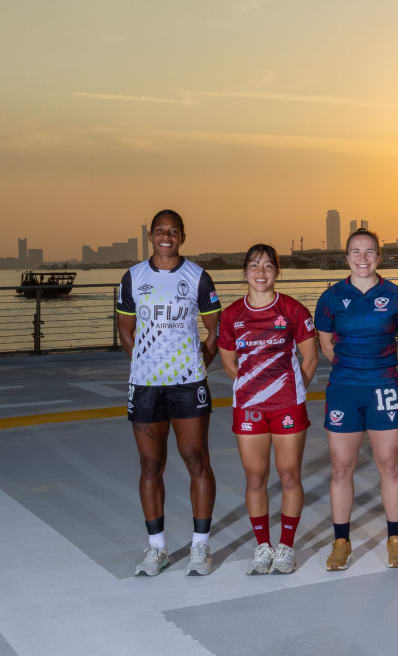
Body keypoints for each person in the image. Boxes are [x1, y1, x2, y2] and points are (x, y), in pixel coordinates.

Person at [117, 209, 222, 576]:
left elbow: (215, 330)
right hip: (146, 385)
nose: (166, 236)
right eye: (160, 230)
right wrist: (146, 362)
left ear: (182, 236)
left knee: (196, 460)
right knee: (150, 466)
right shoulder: (132, 278)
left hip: (188, 384)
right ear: (150, 235)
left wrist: (198, 364)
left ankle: (200, 546)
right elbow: (126, 332)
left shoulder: (197, 277)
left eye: (173, 231)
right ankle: (157, 548)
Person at [315, 228, 398, 570]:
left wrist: (377, 367)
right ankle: (341, 541)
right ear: (346, 258)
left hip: (383, 385)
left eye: (369, 252)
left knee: (390, 464)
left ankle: (395, 539)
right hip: (344, 387)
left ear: (379, 257)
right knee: (342, 467)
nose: (362, 258)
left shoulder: (397, 296)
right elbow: (327, 346)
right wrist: (354, 367)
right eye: (356, 252)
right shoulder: (330, 298)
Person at [218, 244, 317, 574]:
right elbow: (230, 363)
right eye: (254, 265)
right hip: (248, 408)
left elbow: (310, 357)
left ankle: (286, 546)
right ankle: (262, 546)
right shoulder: (232, 315)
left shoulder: (292, 309)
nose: (261, 272)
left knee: (289, 475)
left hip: (288, 405)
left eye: (268, 266)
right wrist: (255, 389)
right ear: (245, 272)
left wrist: (291, 389)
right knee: (255, 477)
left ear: (277, 272)